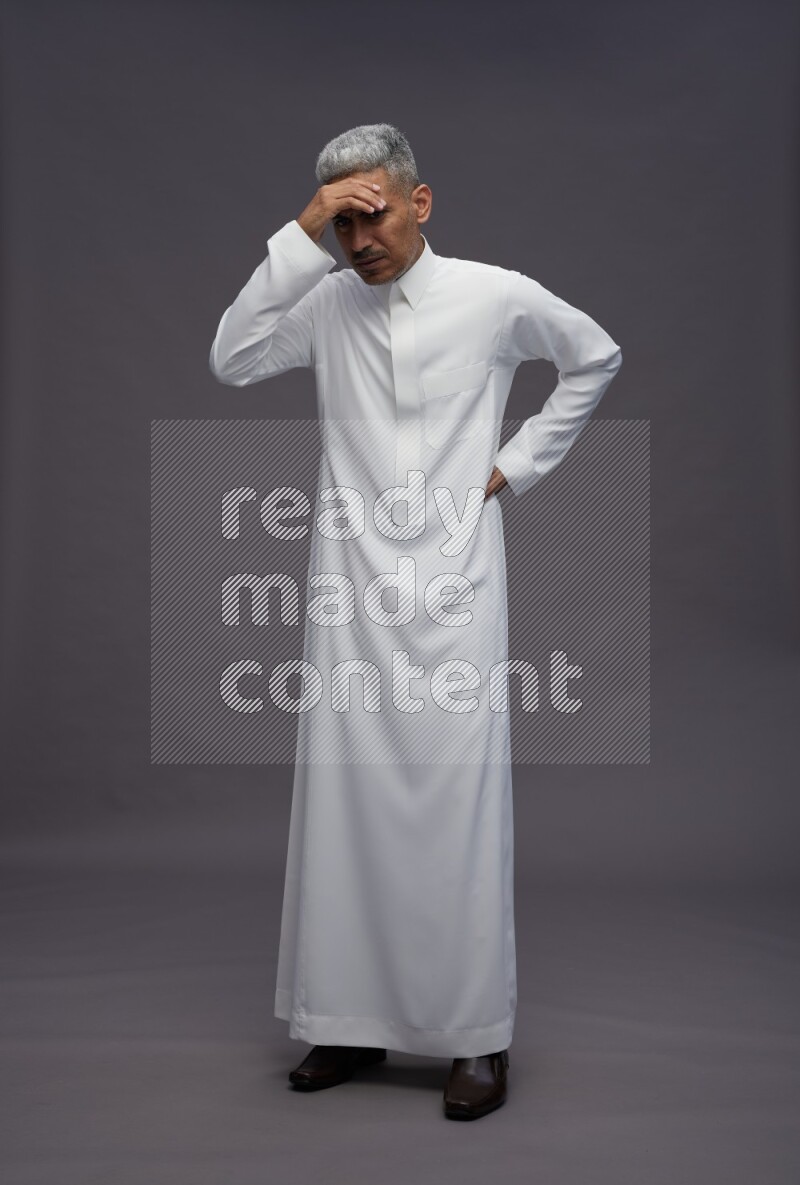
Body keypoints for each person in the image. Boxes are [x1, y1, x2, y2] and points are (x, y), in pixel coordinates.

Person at [209, 123, 622, 1120]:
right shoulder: (326, 304)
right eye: (342, 226)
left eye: (373, 216)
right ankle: (346, 1021)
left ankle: (476, 1036)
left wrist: (512, 466)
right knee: (344, 808)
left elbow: (595, 356)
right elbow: (231, 358)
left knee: (455, 808)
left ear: (419, 202)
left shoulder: (492, 295)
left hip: (453, 589)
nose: (360, 243)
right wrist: (301, 232)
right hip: (347, 593)